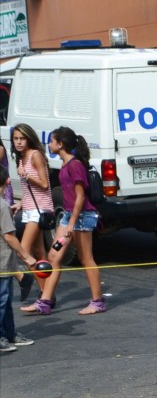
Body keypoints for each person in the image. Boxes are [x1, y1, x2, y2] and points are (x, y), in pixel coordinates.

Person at [21, 126, 106, 315]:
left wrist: (71, 224)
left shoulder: (75, 165)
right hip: (69, 217)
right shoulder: (65, 165)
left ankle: (98, 301)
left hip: (82, 218)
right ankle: (45, 301)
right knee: (54, 257)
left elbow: (80, 197)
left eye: (52, 141)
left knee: (86, 258)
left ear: (60, 144)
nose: (49, 144)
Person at [11, 124, 54, 302]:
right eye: (16, 139)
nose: (19, 142)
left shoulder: (35, 155)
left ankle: (36, 289)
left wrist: (26, 175)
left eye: (22, 138)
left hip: (40, 209)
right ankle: (46, 296)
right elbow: (30, 190)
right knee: (38, 255)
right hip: (29, 208)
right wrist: (21, 203)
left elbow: (44, 184)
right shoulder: (21, 157)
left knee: (23, 251)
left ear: (29, 138)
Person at [1, 166, 40, 352]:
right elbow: (9, 236)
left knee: (6, 300)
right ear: (8, 182)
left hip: (5, 262)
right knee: (2, 300)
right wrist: (27, 257)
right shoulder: (2, 206)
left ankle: (10, 334)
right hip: (2, 262)